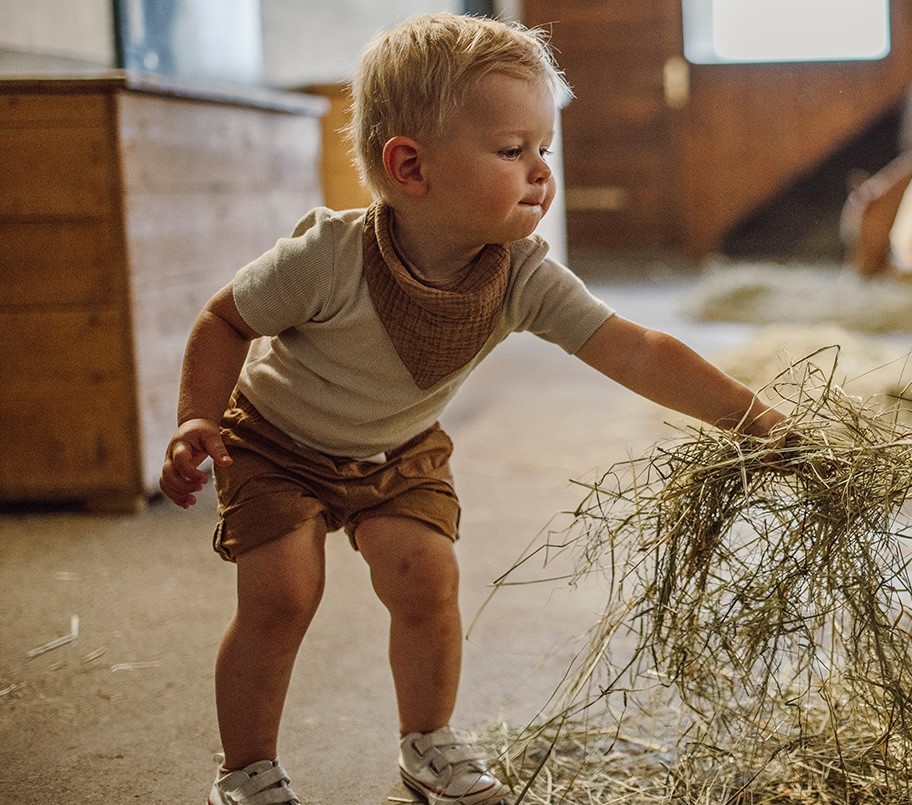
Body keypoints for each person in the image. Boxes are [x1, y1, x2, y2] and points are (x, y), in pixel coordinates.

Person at [159, 13, 785, 805]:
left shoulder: (519, 274)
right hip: (279, 442)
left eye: (543, 149)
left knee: (427, 578)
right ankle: (246, 768)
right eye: (511, 150)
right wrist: (196, 417)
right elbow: (224, 320)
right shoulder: (329, 255)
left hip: (399, 446)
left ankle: (427, 742)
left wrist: (756, 416)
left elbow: (635, 348)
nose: (540, 172)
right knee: (283, 593)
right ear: (411, 167)